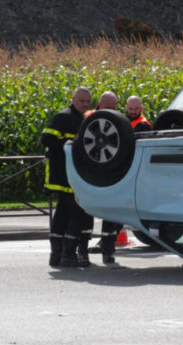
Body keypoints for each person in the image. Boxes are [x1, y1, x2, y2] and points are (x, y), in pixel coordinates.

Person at [41, 87, 94, 268]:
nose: (85, 104)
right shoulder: (63, 117)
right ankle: (67, 254)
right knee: (75, 214)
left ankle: (58, 256)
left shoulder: (84, 119)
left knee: (63, 214)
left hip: (73, 175)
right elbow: (46, 139)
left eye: (88, 101)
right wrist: (70, 143)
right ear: (73, 99)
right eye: (82, 101)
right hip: (62, 175)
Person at [98, 95, 153, 264]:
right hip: (120, 171)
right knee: (113, 213)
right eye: (130, 109)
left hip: (130, 172)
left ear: (141, 108)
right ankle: (107, 244)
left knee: (118, 213)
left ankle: (108, 243)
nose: (133, 112)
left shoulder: (143, 125)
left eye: (136, 109)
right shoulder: (122, 121)